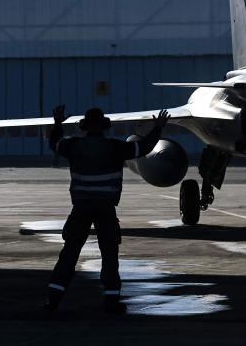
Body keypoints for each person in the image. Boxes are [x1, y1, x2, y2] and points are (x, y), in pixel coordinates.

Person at [43, 105, 170, 313]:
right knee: (109, 255)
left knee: (69, 254)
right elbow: (144, 148)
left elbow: (54, 144)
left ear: (85, 127)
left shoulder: (74, 146)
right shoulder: (115, 148)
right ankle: (111, 302)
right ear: (104, 127)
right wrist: (158, 128)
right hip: (106, 209)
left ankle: (53, 301)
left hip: (81, 208)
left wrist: (58, 123)